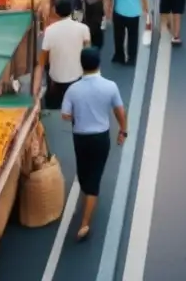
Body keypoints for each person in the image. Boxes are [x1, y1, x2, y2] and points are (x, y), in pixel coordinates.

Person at [61, 48, 127, 242]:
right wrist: (123, 131)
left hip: (80, 138)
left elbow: (65, 115)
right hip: (101, 138)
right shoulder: (110, 86)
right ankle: (88, 205)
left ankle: (85, 223)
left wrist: (78, 116)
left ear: (81, 65)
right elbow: (120, 111)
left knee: (86, 175)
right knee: (94, 174)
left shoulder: (73, 89)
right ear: (99, 63)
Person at [41, 0, 91, 110]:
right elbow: (88, 52)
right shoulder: (83, 28)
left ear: (55, 11)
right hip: (77, 74)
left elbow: (44, 58)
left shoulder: (49, 30)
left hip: (56, 76)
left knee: (56, 104)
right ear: (72, 10)